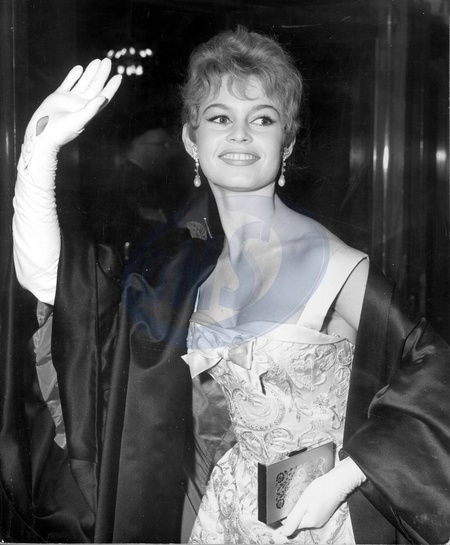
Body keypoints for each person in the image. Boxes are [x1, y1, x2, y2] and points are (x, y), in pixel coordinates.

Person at [5, 25, 450, 544]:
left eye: (262, 118)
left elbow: (438, 372)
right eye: (220, 118)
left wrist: (348, 476)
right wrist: (38, 157)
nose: (240, 134)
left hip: (324, 526)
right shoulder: (190, 270)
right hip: (225, 516)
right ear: (191, 140)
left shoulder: (333, 262)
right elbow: (61, 287)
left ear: (287, 142)